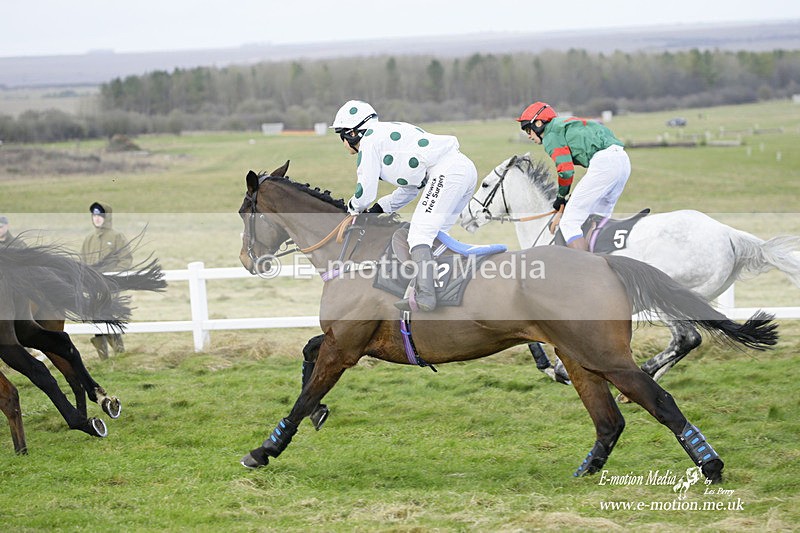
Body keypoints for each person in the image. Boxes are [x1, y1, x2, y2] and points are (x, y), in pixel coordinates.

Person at [331, 99, 477, 312]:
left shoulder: (369, 142)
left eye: (341, 135)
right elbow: (410, 188)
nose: (342, 142)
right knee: (435, 236)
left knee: (419, 235)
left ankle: (426, 297)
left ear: (352, 133)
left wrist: (353, 209)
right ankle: (442, 288)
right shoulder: (384, 135)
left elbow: (365, 191)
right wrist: (380, 208)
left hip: (448, 172)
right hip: (463, 169)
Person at [516, 101, 631, 251]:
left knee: (569, 222)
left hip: (604, 164)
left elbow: (565, 170)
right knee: (596, 220)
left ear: (538, 123)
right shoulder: (565, 124)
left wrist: (560, 198)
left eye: (528, 130)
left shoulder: (550, 135)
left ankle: (585, 268)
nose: (529, 136)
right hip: (623, 160)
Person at [80, 202, 133, 359]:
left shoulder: (117, 236)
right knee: (96, 320)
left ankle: (120, 354)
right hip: (93, 288)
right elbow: (82, 262)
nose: (97, 219)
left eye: (100, 215)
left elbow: (126, 260)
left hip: (110, 287)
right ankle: (103, 358)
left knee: (110, 318)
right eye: (94, 216)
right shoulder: (88, 239)